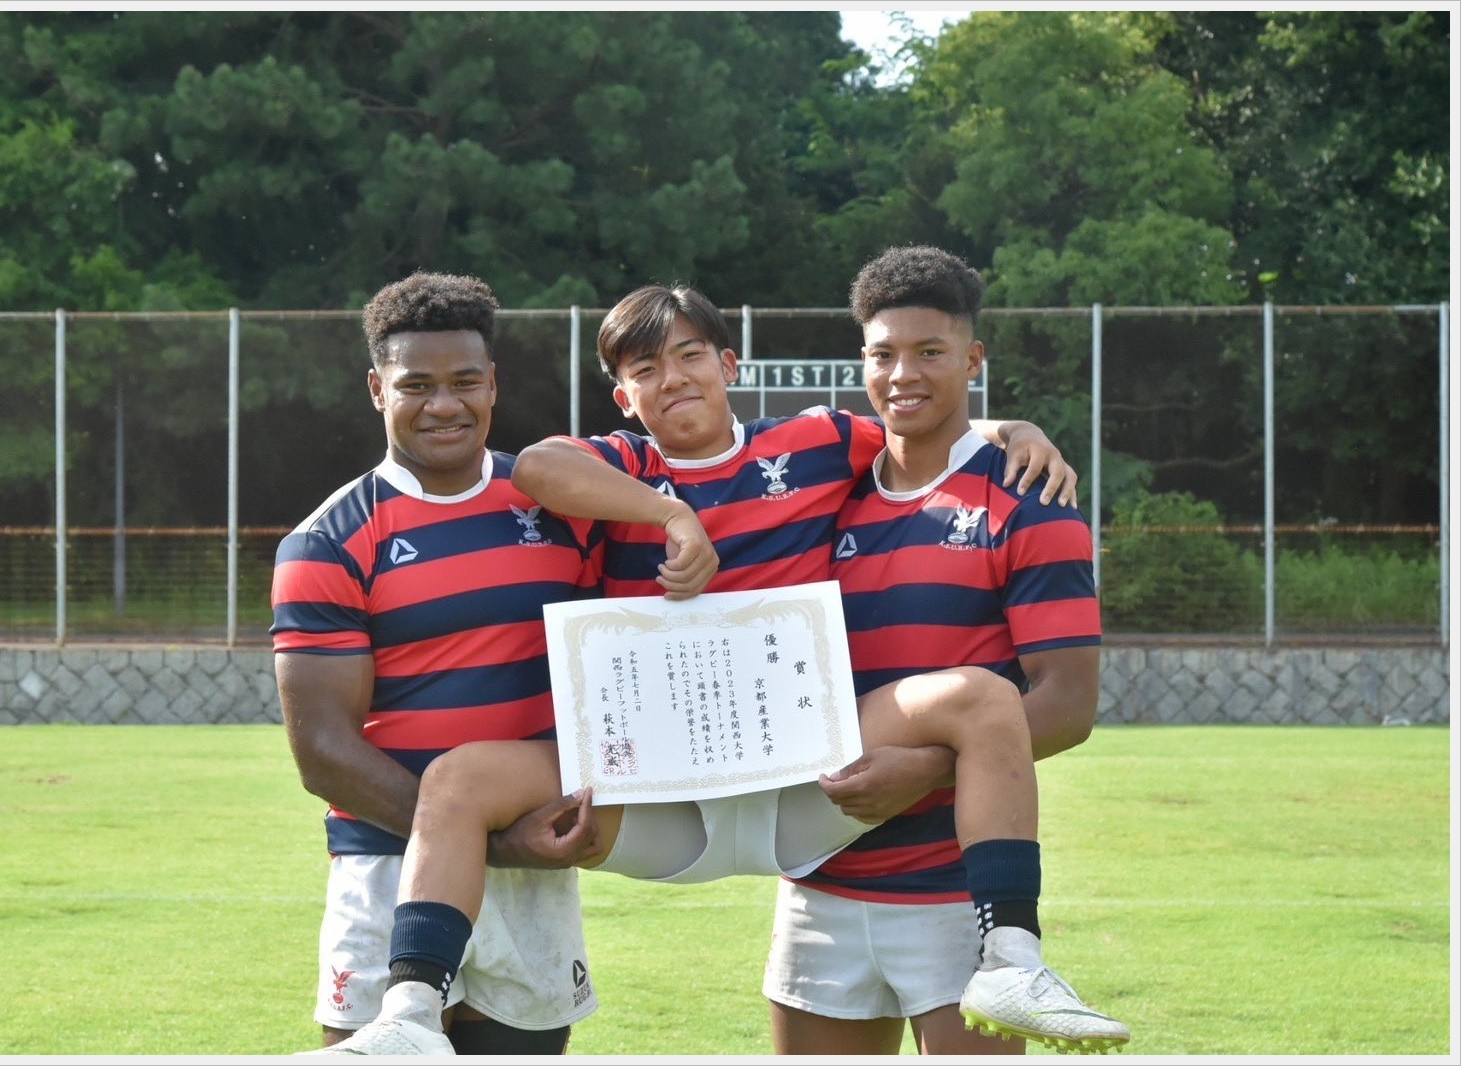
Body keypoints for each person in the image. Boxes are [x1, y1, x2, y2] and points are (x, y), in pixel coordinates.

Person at [318, 281, 1107, 1056]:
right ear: (624, 397)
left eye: (689, 355)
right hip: (660, 797)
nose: (673, 379)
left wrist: (1015, 428)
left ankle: (1012, 961)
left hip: (804, 778)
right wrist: (670, 513)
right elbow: (535, 467)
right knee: (458, 779)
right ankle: (410, 1015)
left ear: (729, 364)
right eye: (645, 368)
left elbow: (921, 420)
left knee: (980, 697)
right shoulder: (619, 467)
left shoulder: (817, 442)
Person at [762, 245, 1128, 1054]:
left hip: (957, 892)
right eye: (883, 354)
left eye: (930, 352)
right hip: (820, 879)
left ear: (973, 358)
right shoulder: (826, 497)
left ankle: (1017, 962)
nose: (903, 374)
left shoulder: (1031, 500)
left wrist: (926, 770)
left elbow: (1068, 704)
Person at [270, 271, 609, 1056]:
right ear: (377, 391)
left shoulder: (564, 507)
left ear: (493, 384)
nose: (443, 404)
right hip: (388, 868)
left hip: (531, 875)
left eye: (463, 381)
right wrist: (489, 841)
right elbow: (323, 753)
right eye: (416, 385)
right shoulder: (328, 541)